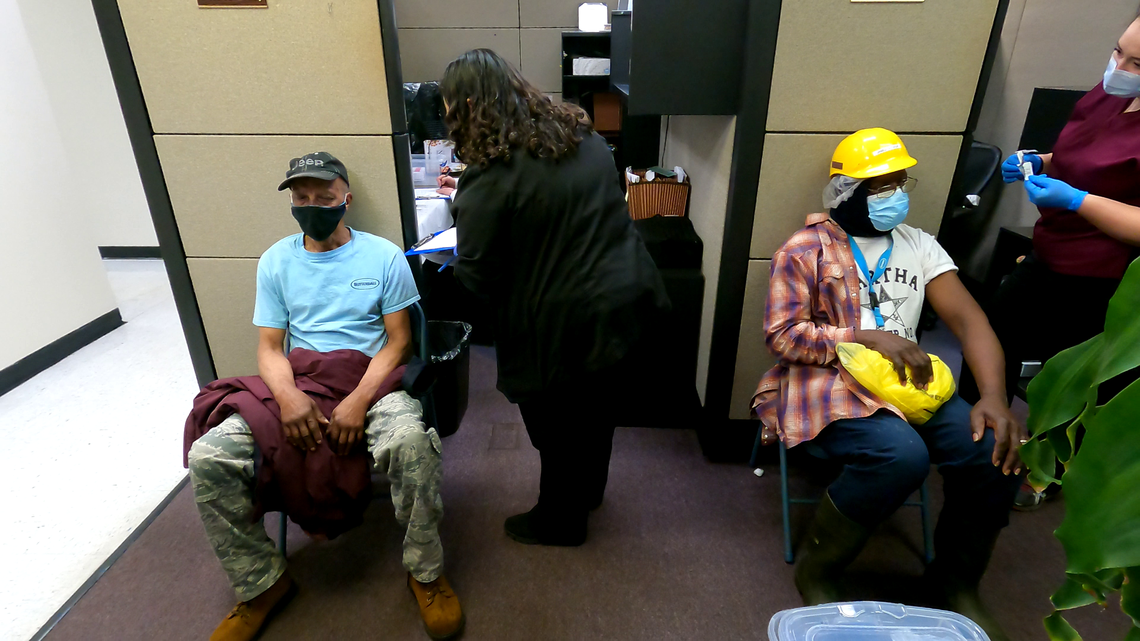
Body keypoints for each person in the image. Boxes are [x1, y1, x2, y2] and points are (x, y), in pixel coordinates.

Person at [751, 129, 1026, 641]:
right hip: (828, 381)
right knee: (899, 456)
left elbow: (969, 321)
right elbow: (783, 337)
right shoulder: (804, 250)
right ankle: (819, 569)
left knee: (993, 448)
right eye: (881, 185)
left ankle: (955, 582)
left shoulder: (919, 245)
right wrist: (868, 337)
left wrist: (992, 397)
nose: (896, 193)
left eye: (901, 181)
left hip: (910, 385)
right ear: (846, 191)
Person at [184, 152, 463, 641]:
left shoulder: (382, 255)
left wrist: (358, 400)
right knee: (210, 455)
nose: (312, 205)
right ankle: (260, 583)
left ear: (346, 199)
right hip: (303, 381)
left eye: (324, 196)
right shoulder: (276, 260)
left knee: (411, 445)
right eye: (301, 197)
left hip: (371, 381)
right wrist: (288, 398)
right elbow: (270, 348)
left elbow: (399, 341)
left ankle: (426, 571)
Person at [437, 49, 669, 547]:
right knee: (596, 410)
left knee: (556, 426)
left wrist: (461, 221)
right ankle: (587, 493)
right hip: (624, 296)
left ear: (469, 106)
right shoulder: (580, 137)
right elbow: (547, 199)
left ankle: (560, 521)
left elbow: (476, 277)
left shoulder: (491, 176)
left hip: (561, 318)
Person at [958, 12, 1140, 509]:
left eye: (1136, 62)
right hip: (1051, 251)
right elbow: (1078, 157)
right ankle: (974, 441)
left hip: (1104, 277)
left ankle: (1044, 474)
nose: (1119, 67)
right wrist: (1040, 162)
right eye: (1118, 51)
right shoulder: (1110, 94)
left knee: (1070, 381)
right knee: (993, 334)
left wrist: (1079, 200)